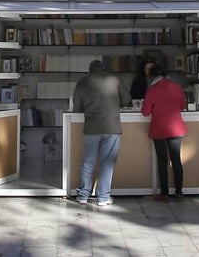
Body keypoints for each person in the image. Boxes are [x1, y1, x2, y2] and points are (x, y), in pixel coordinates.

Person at [71, 59, 131, 206]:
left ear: (90, 70)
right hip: (112, 127)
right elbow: (126, 100)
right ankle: (103, 198)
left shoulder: (82, 82)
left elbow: (77, 107)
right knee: (107, 163)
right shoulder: (114, 78)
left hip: (91, 128)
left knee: (88, 162)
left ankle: (83, 196)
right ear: (103, 69)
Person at [141, 64, 187, 200]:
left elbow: (145, 112)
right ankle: (179, 192)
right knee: (176, 160)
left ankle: (164, 193)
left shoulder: (152, 90)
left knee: (162, 161)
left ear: (152, 76)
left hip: (159, 129)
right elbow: (182, 106)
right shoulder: (176, 87)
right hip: (176, 128)